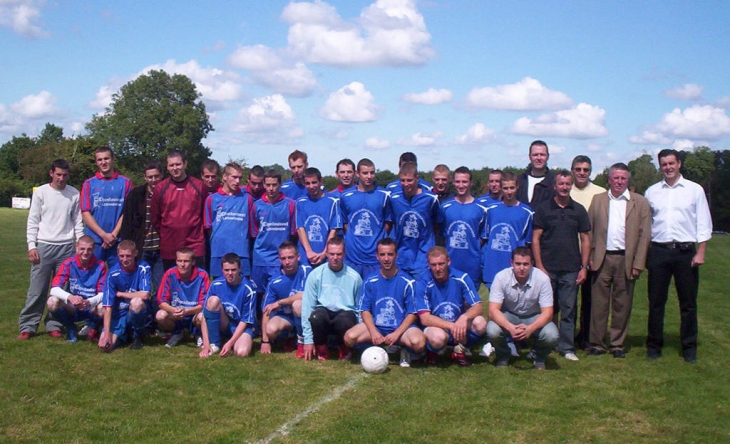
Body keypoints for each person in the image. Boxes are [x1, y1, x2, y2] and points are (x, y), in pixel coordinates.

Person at [644, 149, 712, 363]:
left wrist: (701, 251)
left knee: (688, 303)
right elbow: (646, 226)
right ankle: (654, 346)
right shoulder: (652, 192)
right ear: (660, 166)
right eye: (664, 164)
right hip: (658, 251)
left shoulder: (694, 190)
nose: (668, 167)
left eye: (671, 163)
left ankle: (689, 347)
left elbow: (703, 222)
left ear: (679, 163)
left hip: (685, 253)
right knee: (655, 302)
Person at [587, 163, 651, 358]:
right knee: (598, 304)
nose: (619, 182)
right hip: (602, 259)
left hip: (626, 259)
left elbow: (644, 235)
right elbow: (588, 231)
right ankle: (597, 343)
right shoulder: (598, 200)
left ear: (627, 180)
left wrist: (638, 264)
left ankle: (617, 344)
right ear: (609, 179)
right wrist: (589, 257)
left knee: (622, 304)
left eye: (623, 178)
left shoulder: (639, 202)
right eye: (615, 178)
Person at [19, 158, 84, 340]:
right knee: (37, 290)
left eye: (64, 175)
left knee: (61, 290)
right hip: (44, 246)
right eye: (58, 175)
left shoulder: (73, 193)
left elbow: (77, 221)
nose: (61, 179)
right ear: (51, 173)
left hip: (66, 248)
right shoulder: (41, 192)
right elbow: (33, 221)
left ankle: (54, 324)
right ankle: (28, 325)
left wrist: (78, 244)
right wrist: (32, 246)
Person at [532, 171, 590, 362]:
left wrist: (583, 267)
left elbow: (585, 239)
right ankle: (544, 345)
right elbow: (536, 239)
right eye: (561, 184)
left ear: (571, 185)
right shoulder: (543, 209)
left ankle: (567, 348)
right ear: (554, 186)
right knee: (547, 310)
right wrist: (540, 266)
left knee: (568, 309)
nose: (564, 187)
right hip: (547, 268)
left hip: (571, 269)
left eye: (567, 184)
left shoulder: (579, 210)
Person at [344, 238, 426, 367]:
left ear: (396, 255)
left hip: (401, 330)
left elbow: (413, 313)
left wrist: (397, 333)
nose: (386, 259)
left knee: (419, 343)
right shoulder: (370, 280)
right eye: (382, 254)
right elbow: (364, 310)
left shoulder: (408, 282)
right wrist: (373, 332)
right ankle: (373, 347)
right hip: (379, 327)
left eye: (390, 254)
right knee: (349, 337)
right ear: (377, 256)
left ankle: (404, 349)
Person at [486, 247, 559, 370]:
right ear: (511, 263)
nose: (521, 268)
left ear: (532, 264)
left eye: (526, 264)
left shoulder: (542, 279)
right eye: (518, 264)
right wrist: (510, 327)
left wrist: (530, 329)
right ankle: (503, 355)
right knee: (492, 330)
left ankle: (538, 357)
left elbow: (548, 313)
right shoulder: (501, 277)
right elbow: (492, 311)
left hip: (533, 316)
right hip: (509, 314)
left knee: (552, 335)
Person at [416, 247, 487, 367]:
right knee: (438, 338)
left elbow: (478, 307)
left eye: (441, 264)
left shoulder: (461, 278)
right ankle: (432, 352)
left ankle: (459, 351)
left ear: (448, 262)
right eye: (433, 265)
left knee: (480, 323)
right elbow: (425, 318)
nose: (438, 268)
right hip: (437, 327)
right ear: (428, 265)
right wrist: (452, 326)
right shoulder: (423, 283)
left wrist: (464, 318)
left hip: (458, 324)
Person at [301, 237, 363, 361]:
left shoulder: (355, 277)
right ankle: (322, 348)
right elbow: (307, 307)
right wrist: (307, 340)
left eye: (339, 254)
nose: (335, 257)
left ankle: (343, 347)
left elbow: (359, 308)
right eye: (332, 254)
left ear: (344, 254)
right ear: (327, 254)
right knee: (316, 317)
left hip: (345, 314)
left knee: (344, 320)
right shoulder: (316, 275)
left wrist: (359, 336)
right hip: (324, 311)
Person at [569, 155, 606, 350]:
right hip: (568, 254)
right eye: (578, 169)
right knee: (568, 300)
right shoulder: (566, 190)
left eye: (586, 169)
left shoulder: (600, 193)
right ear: (572, 170)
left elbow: (602, 227)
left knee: (590, 300)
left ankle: (586, 336)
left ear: (590, 171)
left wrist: (593, 253)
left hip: (591, 255)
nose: (582, 173)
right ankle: (566, 336)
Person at [151, 150, 207, 270]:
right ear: (167, 167)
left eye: (178, 164)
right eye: (171, 165)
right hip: (170, 246)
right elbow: (155, 217)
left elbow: (205, 215)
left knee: (197, 283)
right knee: (173, 285)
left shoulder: (199, 186)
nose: (175, 168)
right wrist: (167, 233)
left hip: (194, 245)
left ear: (185, 164)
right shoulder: (160, 188)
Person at [339, 158, 393, 278]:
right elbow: (345, 223)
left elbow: (388, 222)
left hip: (375, 257)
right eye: (365, 173)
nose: (369, 176)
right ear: (357, 174)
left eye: (372, 172)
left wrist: (375, 238)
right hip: (353, 256)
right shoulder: (345, 196)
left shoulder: (384, 195)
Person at [46, 235, 106, 343]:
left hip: (91, 307)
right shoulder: (68, 263)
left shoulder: (100, 266)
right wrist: (70, 297)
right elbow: (54, 289)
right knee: (52, 301)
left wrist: (89, 301)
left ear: (94, 249)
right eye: (82, 249)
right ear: (76, 247)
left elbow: (103, 293)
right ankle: (71, 328)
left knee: (103, 307)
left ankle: (94, 328)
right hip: (73, 306)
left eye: (89, 249)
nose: (85, 252)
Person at [81, 146, 133, 267]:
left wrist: (113, 235)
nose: (103, 162)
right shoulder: (89, 183)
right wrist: (104, 235)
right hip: (95, 242)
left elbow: (127, 212)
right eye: (100, 160)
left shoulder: (125, 183)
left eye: (106, 158)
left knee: (119, 280)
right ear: (96, 162)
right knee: (92, 279)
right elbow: (85, 212)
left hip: (117, 241)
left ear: (113, 159)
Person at [198, 253, 257, 358]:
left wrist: (230, 343)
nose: (230, 273)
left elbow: (245, 321)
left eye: (233, 270)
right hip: (225, 322)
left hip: (242, 326)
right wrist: (206, 345)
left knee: (242, 352)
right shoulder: (216, 284)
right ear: (222, 270)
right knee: (212, 301)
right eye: (226, 270)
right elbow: (204, 316)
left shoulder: (248, 289)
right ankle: (214, 343)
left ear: (240, 269)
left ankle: (232, 341)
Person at [481, 172, 534, 289]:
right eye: (505, 188)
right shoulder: (490, 210)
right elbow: (484, 239)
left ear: (517, 187)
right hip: (493, 268)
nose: (509, 192)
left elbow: (528, 244)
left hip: (515, 270)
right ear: (501, 188)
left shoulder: (527, 212)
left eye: (512, 188)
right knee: (494, 306)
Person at [119, 160, 164, 296]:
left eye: (156, 176)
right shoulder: (136, 195)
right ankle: (139, 315)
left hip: (161, 249)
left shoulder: (167, 193)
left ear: (161, 175)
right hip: (141, 248)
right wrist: (126, 246)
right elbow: (127, 222)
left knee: (159, 286)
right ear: (145, 177)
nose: (153, 180)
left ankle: (156, 315)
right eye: (150, 177)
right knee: (138, 286)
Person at [389, 162, 440, 280]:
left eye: (409, 180)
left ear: (417, 178)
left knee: (421, 294)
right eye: (403, 180)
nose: (406, 184)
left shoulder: (430, 199)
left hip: (423, 257)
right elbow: (392, 222)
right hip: (401, 256)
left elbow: (436, 223)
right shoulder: (394, 199)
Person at [438, 167, 488, 287]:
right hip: (450, 264)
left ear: (471, 182)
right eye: (458, 182)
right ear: (453, 182)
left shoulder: (482, 209)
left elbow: (483, 237)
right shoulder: (445, 207)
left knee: (470, 304)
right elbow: (443, 235)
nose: (461, 185)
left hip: (472, 265)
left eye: (464, 182)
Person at [98, 240, 152, 351]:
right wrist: (107, 334)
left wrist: (121, 293)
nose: (125, 259)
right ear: (117, 254)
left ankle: (138, 335)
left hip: (136, 310)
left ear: (135, 253)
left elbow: (145, 295)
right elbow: (108, 305)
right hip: (119, 312)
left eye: (128, 256)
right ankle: (124, 334)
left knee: (136, 303)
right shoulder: (113, 273)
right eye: (121, 256)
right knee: (105, 347)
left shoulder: (143, 267)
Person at [260, 241, 311, 357]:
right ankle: (291, 335)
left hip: (306, 314)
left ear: (298, 257)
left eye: (290, 257)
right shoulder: (274, 280)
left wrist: (280, 302)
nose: (287, 262)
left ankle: (301, 342)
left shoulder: (306, 270)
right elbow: (266, 310)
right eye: (283, 258)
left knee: (298, 304)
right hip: (286, 317)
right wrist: (265, 341)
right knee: (271, 330)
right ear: (279, 260)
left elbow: (307, 294)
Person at [204, 162, 255, 278]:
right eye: (234, 177)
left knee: (243, 289)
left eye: (240, 178)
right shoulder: (212, 199)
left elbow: (251, 227)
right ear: (225, 177)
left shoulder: (247, 199)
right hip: (219, 253)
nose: (237, 181)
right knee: (219, 290)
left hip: (241, 253)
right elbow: (209, 228)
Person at [251, 169, 297, 295]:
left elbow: (293, 233)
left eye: (274, 185)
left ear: (280, 185)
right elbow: (255, 233)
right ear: (264, 185)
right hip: (260, 259)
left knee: (278, 294)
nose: (271, 188)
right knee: (259, 295)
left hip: (279, 260)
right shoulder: (257, 206)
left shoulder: (290, 205)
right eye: (268, 185)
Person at [155, 248, 210, 347]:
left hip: (194, 313)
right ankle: (177, 332)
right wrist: (174, 310)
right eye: (179, 261)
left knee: (202, 317)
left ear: (193, 262)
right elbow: (160, 301)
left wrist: (187, 311)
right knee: (160, 315)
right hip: (176, 313)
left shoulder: (202, 275)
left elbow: (204, 304)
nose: (182, 264)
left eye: (186, 261)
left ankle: (198, 333)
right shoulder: (170, 274)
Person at [296, 167, 340, 267]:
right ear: (304, 184)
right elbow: (300, 228)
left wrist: (325, 253)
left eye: (314, 182)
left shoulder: (333, 201)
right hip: (306, 256)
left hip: (326, 256)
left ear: (321, 181)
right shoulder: (301, 202)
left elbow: (334, 229)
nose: (311, 186)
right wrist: (308, 251)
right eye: (308, 183)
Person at [516, 140, 555, 208]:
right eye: (535, 155)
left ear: (548, 156)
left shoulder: (554, 182)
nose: (539, 158)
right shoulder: (519, 181)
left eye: (542, 155)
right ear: (529, 157)